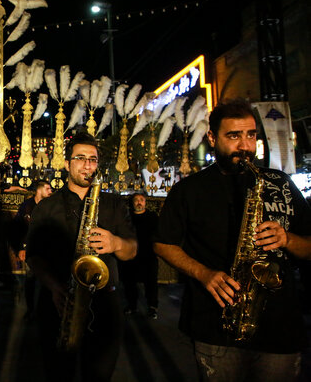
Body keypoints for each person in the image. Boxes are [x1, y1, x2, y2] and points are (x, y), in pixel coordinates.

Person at [154, 99, 311, 381]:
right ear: (212, 138)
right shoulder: (189, 190)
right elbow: (162, 243)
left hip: (280, 329)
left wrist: (286, 238)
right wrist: (204, 273)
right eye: (234, 136)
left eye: (251, 135)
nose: (245, 145)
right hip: (215, 329)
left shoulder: (281, 183)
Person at [26, 132, 137, 382]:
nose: (88, 165)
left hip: (104, 304)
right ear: (67, 164)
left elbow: (132, 251)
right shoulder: (46, 207)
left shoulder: (115, 205)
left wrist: (116, 242)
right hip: (59, 302)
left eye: (93, 160)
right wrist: (54, 287)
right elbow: (33, 256)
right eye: (80, 158)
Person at [10, 180, 53, 317]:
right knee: (30, 280)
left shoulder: (50, 205)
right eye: (47, 188)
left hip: (46, 248)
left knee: (48, 281)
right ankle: (30, 309)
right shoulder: (27, 206)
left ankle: (45, 311)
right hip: (30, 248)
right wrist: (21, 248)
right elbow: (19, 228)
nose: (50, 191)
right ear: (39, 190)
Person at [120, 191, 160, 318]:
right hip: (131, 254)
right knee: (129, 282)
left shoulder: (153, 217)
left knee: (151, 283)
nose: (139, 202)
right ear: (132, 202)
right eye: (136, 200)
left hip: (148, 255)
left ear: (145, 202)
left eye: (141, 200)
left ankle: (153, 307)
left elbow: (159, 235)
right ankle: (132, 306)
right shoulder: (127, 217)